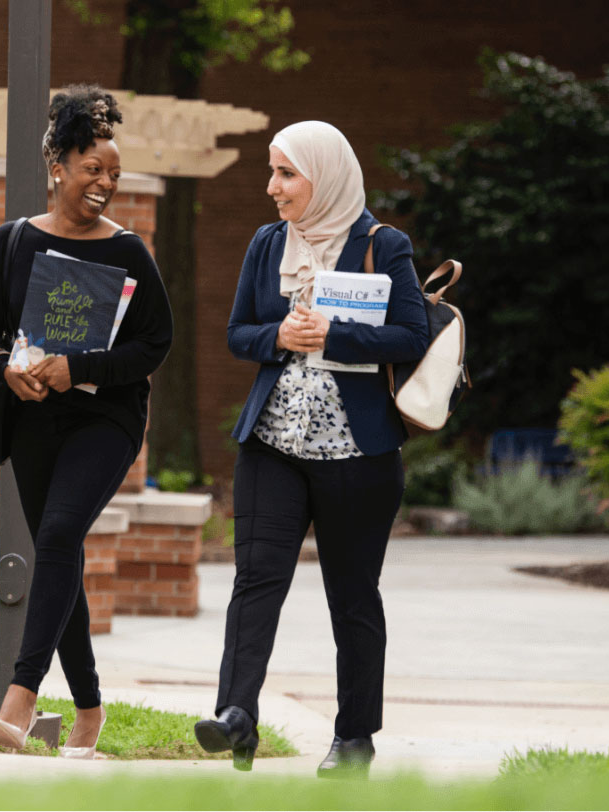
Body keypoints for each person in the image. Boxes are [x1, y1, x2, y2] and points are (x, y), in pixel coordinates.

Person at [193, 121, 429, 776]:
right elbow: (240, 333)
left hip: (360, 454)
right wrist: (280, 338)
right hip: (272, 446)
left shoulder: (384, 244)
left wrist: (335, 334)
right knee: (255, 581)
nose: (273, 187)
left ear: (323, 176)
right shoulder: (268, 245)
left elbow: (413, 334)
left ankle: (354, 738)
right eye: (272, 172)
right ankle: (236, 715)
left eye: (286, 173)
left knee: (352, 598)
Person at [0, 85, 173, 759]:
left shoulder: (128, 253)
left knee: (56, 533)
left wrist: (78, 366)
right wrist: (6, 367)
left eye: (113, 173)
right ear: (59, 167)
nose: (106, 184)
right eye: (93, 171)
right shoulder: (14, 240)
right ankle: (89, 711)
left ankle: (20, 700)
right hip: (33, 418)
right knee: (63, 553)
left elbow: (155, 344)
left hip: (106, 418)